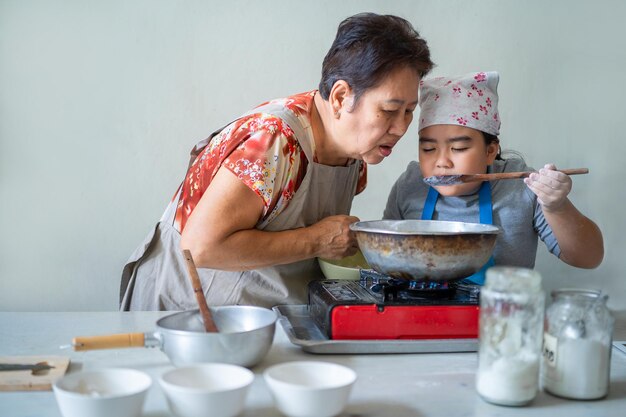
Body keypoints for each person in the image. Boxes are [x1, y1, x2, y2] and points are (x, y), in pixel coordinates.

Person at [120, 13, 434, 310]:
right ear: (340, 98)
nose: (402, 127)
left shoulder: (354, 149)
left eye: (409, 111)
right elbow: (201, 247)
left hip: (256, 314)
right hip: (184, 308)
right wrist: (317, 240)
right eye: (389, 110)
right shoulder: (275, 141)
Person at [384, 71, 603, 284]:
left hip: (502, 318)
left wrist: (557, 207)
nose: (442, 161)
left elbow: (589, 258)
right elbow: (384, 257)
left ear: (490, 151)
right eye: (429, 149)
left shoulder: (521, 187)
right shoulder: (410, 185)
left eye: (458, 148)